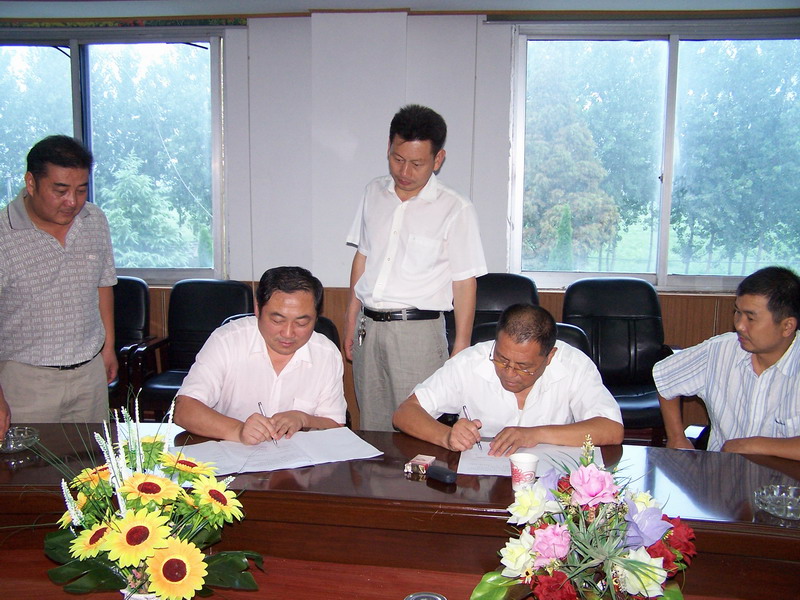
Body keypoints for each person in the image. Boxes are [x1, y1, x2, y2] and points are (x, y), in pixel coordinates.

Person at [344, 104, 487, 431]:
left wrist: (461, 345)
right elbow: (362, 257)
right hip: (368, 328)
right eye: (398, 159)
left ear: (438, 159)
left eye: (417, 163)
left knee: (419, 430)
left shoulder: (456, 208)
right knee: (373, 428)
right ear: (388, 148)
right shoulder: (372, 193)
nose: (404, 171)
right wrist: (351, 316)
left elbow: (464, 281)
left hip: (417, 333)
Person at [0, 135, 117, 439]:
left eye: (81, 190)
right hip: (26, 380)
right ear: (31, 182)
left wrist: (108, 348)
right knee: (31, 466)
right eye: (60, 190)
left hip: (89, 375)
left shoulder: (94, 220)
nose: (72, 202)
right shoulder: (3, 233)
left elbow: (104, 284)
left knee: (93, 461)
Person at [392, 304, 624, 456]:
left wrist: (534, 434)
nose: (509, 373)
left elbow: (611, 429)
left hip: (551, 485)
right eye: (502, 360)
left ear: (549, 356)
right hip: (481, 482)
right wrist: (447, 436)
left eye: (524, 367)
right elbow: (405, 413)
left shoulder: (574, 365)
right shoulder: (470, 362)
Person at [174, 266, 347, 445]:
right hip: (230, 453)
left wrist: (303, 419)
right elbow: (184, 409)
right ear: (257, 308)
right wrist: (238, 430)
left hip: (296, 459)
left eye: (302, 323)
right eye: (277, 320)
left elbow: (335, 424)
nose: (288, 333)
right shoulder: (227, 340)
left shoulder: (326, 354)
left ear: (316, 317)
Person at [654, 266, 800, 461]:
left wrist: (750, 445)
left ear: (787, 326)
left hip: (786, 478)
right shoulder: (719, 350)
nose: (739, 325)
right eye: (737, 312)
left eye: (750, 318)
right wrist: (676, 437)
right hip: (723, 473)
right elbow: (666, 379)